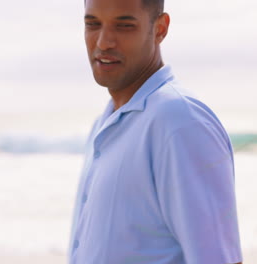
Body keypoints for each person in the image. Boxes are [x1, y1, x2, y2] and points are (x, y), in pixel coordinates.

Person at [68, 0, 243, 263]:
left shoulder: (180, 121)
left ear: (160, 29)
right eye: (93, 24)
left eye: (124, 25)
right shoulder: (105, 123)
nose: (103, 42)